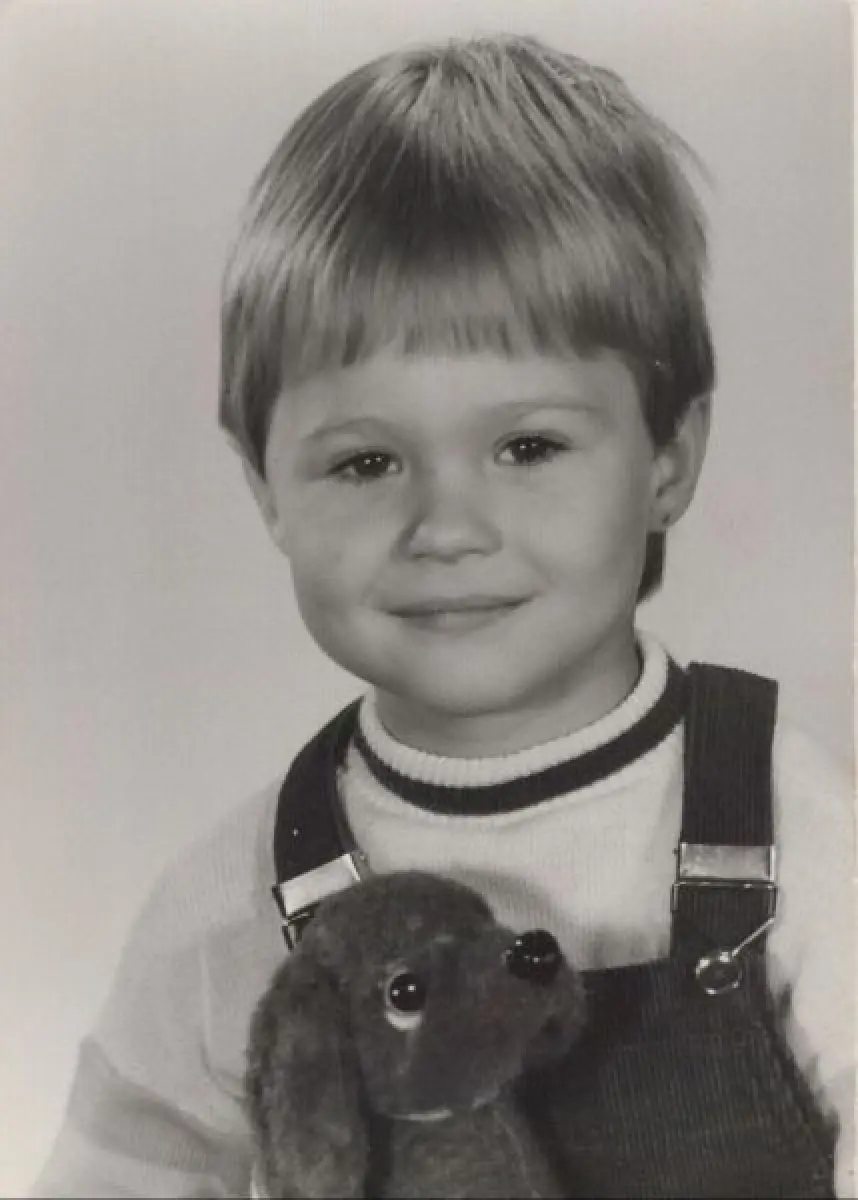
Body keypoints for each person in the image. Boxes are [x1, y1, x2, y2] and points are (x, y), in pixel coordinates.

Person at [32, 32, 854, 1198]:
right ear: (266, 490)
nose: (446, 526)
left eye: (529, 446)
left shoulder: (788, 828)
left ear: (669, 457)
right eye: (366, 463)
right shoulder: (235, 903)